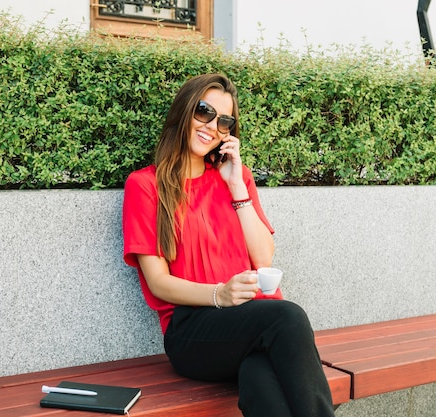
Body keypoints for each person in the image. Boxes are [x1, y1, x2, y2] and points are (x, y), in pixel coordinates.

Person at [122, 73, 335, 417]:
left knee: (261, 381)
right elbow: (158, 282)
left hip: (253, 326)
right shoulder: (146, 185)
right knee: (289, 317)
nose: (212, 126)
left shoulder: (237, 177)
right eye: (204, 111)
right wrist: (219, 294)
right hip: (193, 330)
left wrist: (237, 187)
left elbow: (264, 257)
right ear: (185, 110)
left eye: (225, 121)